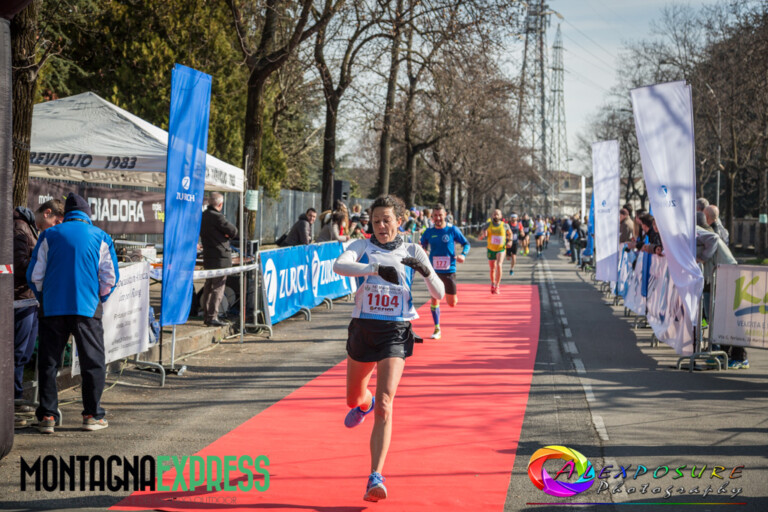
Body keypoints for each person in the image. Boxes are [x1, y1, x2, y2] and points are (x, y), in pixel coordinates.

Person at [333, 195, 445, 502]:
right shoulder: (362, 246)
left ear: (400, 221)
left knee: (386, 403)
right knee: (354, 398)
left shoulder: (412, 250)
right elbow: (339, 265)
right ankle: (363, 404)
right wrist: (374, 269)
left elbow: (439, 293)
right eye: (376, 221)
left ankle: (375, 476)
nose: (381, 226)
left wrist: (425, 271)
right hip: (363, 329)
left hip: (395, 331)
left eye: (387, 220)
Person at [27, 193, 119, 434]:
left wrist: (44, 297)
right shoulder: (101, 236)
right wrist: (100, 297)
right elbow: (110, 277)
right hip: (87, 308)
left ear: (66, 214)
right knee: (93, 362)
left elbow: (35, 276)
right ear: (87, 215)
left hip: (53, 308)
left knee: (48, 363)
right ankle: (92, 415)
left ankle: (47, 416)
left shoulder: (48, 235)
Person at [13, 199, 64, 427]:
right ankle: (12, 399)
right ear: (47, 213)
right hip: (19, 299)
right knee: (17, 352)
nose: (55, 228)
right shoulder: (20, 228)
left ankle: (16, 397)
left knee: (23, 353)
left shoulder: (29, 228)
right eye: (56, 222)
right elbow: (19, 265)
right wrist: (45, 268)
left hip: (27, 299)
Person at [696, 227, 746, 368]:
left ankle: (740, 357)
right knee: (720, 318)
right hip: (717, 275)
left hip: (727, 273)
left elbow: (714, 238)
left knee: (729, 317)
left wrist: (703, 257)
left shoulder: (692, 228)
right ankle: (724, 353)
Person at [420, 204, 470, 339]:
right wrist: (424, 251)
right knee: (434, 299)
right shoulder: (429, 232)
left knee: (452, 303)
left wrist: (463, 255)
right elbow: (422, 244)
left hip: (449, 270)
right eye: (435, 215)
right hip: (434, 271)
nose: (438, 218)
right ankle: (437, 328)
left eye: (440, 215)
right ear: (432, 216)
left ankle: (450, 295)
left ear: (445, 215)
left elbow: (466, 244)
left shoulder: (452, 230)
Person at [199, 192, 238, 327]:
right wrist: (225, 235)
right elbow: (233, 231)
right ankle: (213, 316)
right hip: (220, 257)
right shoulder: (218, 217)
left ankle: (207, 316)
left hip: (208, 256)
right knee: (218, 288)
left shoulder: (203, 216)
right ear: (220, 204)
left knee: (208, 286)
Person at [478, 209, 513, 294]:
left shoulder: (505, 225)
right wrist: (482, 235)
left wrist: (510, 241)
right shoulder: (488, 225)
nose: (496, 216)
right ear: (492, 215)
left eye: (497, 214)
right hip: (491, 249)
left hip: (501, 248)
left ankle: (497, 286)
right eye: (494, 214)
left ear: (501, 216)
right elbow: (480, 236)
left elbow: (510, 234)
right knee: (492, 269)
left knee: (499, 265)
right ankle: (493, 283)